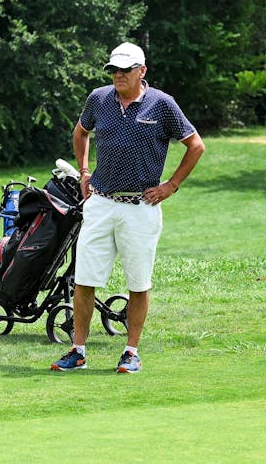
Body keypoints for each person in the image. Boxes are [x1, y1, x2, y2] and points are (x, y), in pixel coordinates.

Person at [51, 41, 205, 373]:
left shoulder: (162, 105)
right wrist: (84, 171)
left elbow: (195, 145)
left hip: (140, 206)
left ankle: (131, 352)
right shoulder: (99, 99)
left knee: (138, 282)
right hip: (101, 203)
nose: (119, 75)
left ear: (142, 71)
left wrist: (171, 185)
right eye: (114, 70)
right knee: (85, 279)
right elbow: (81, 133)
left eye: (125, 70)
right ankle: (78, 350)